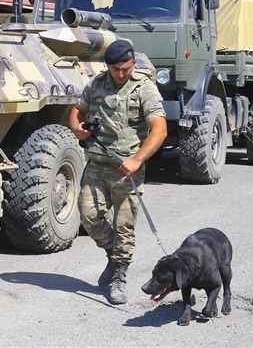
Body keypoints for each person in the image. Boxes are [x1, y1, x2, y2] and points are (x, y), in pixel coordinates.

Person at [68, 40, 167, 305]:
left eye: (125, 68)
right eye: (115, 69)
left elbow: (160, 129)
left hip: (127, 169)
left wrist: (137, 159)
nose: (120, 74)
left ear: (133, 63)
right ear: (108, 66)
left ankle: (119, 275)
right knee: (89, 216)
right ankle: (115, 257)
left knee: (124, 224)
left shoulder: (144, 87)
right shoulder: (97, 83)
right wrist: (78, 127)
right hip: (97, 163)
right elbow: (77, 110)